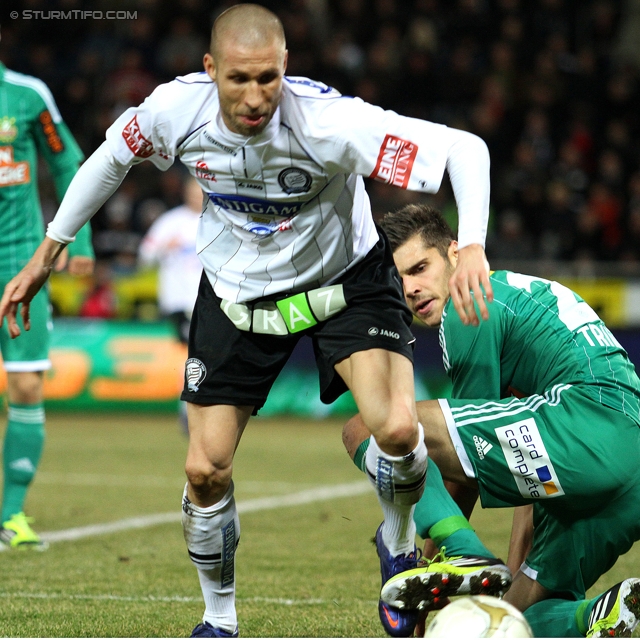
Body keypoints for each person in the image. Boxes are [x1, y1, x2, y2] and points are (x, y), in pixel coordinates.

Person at [0, 5, 493, 636]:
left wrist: (472, 242)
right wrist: (49, 252)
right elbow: (105, 162)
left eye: (268, 78)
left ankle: (396, 549)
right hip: (236, 291)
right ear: (210, 70)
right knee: (204, 470)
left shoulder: (330, 122)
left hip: (343, 278)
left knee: (397, 430)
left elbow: (464, 150)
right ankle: (219, 618)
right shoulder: (172, 111)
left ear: (286, 66)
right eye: (239, 79)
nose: (256, 96)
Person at [343, 203, 640, 638]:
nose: (410, 288)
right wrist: (515, 565)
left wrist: (431, 561)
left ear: (456, 255)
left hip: (590, 419)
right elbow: (523, 462)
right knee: (511, 620)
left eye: (420, 268)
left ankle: (461, 548)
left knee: (369, 428)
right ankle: (598, 614)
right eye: (398, 278)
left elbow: (464, 473)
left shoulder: (471, 301)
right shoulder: (515, 297)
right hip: (617, 464)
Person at [0, 57, 94, 549]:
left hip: (19, 262)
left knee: (28, 386)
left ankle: (11, 514)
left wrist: (78, 241)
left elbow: (65, 160)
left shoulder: (28, 95)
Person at [138, 175, 204, 431]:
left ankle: (194, 409)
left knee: (199, 355)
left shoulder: (217, 219)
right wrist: (166, 246)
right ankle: (189, 410)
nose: (197, 196)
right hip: (180, 301)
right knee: (193, 354)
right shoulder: (170, 222)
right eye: (193, 191)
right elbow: (145, 256)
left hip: (212, 300)